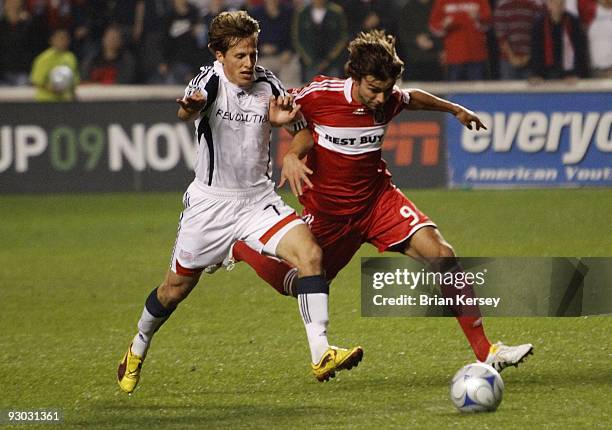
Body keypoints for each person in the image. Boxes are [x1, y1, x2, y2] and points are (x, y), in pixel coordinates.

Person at [230, 30, 534, 373]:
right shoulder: (319, 95)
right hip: (329, 214)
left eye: (386, 90)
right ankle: (240, 248)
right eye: (374, 89)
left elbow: (412, 98)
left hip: (378, 201)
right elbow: (283, 113)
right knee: (297, 283)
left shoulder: (388, 97)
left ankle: (486, 350)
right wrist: (291, 155)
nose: (380, 98)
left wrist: (454, 109)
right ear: (355, 77)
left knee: (442, 255)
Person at [116, 11, 362, 395]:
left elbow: (303, 133)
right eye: (240, 56)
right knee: (173, 290)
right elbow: (188, 108)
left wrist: (291, 148)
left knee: (311, 255)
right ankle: (138, 345)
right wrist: (190, 105)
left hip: (257, 201)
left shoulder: (268, 83)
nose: (249, 63)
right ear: (219, 54)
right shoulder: (210, 81)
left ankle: (321, 352)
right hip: (210, 206)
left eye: (253, 54)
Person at [429, 0, 492, 81]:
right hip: (454, 57)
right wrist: (443, 25)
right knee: (453, 91)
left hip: (476, 55)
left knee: (477, 91)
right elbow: (433, 26)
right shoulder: (442, 1)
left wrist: (478, 17)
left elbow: (489, 23)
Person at [529, 0, 589, 81]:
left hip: (569, 73)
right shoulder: (539, 23)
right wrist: (536, 74)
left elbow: (580, 50)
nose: (558, 6)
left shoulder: (573, 22)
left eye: (561, 3)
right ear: (548, 4)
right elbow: (536, 51)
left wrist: (577, 74)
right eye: (555, 3)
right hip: (546, 73)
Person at [30, 28, 80, 102]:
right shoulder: (44, 58)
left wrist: (74, 96)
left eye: (65, 39)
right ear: (52, 40)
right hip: (45, 101)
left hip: (65, 101)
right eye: (60, 39)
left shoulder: (71, 57)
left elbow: (74, 79)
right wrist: (51, 89)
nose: (63, 42)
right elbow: (36, 81)